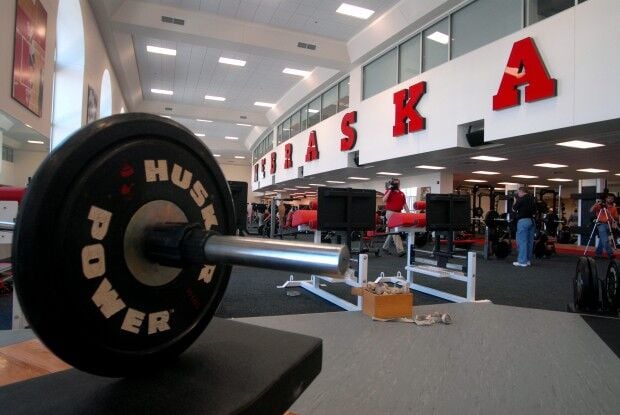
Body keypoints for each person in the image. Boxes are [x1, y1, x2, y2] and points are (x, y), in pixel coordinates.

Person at [382, 178, 410, 257]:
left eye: (397, 184)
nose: (396, 185)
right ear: (392, 184)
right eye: (394, 184)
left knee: (392, 231)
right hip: (390, 213)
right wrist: (390, 190)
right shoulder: (389, 191)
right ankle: (400, 250)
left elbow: (404, 204)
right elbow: (384, 200)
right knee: (395, 231)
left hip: (398, 213)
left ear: (399, 184)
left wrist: (409, 213)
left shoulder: (401, 193)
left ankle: (385, 247)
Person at [512, 186, 537, 267]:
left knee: (522, 241)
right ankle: (527, 260)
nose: (518, 194)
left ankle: (522, 261)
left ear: (522, 192)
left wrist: (515, 201)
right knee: (529, 242)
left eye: (518, 192)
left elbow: (514, 209)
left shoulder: (521, 198)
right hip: (532, 221)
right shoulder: (532, 199)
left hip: (523, 221)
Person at [589, 194, 618, 259]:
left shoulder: (614, 208)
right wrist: (596, 204)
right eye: (609, 198)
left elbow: (616, 218)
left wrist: (610, 214)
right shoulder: (600, 206)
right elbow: (591, 210)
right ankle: (610, 254)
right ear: (606, 199)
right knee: (605, 240)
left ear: (613, 200)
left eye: (612, 198)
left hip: (609, 225)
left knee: (603, 239)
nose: (610, 199)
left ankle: (598, 253)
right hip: (601, 224)